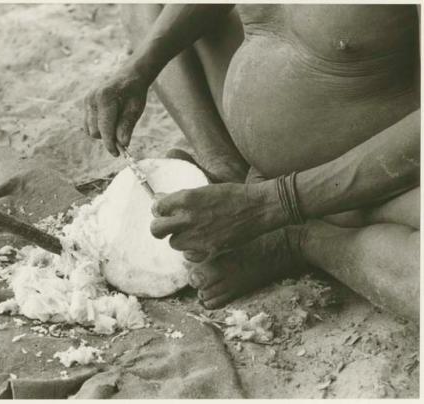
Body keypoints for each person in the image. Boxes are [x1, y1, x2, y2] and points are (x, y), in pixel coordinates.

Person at [84, 4, 420, 322]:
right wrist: (140, 67)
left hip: (371, 176)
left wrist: (276, 203)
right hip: (245, 146)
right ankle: (222, 167)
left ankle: (301, 238)